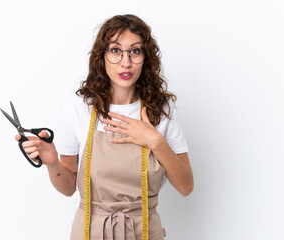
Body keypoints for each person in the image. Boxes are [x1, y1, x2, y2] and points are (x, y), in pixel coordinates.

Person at [15, 14, 194, 240]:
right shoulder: (78, 109)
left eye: (135, 51)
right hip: (90, 232)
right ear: (102, 57)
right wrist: (51, 162)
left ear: (145, 58)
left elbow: (186, 187)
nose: (126, 62)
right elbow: (68, 188)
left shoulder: (162, 110)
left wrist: (154, 141)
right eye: (116, 50)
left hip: (146, 233)